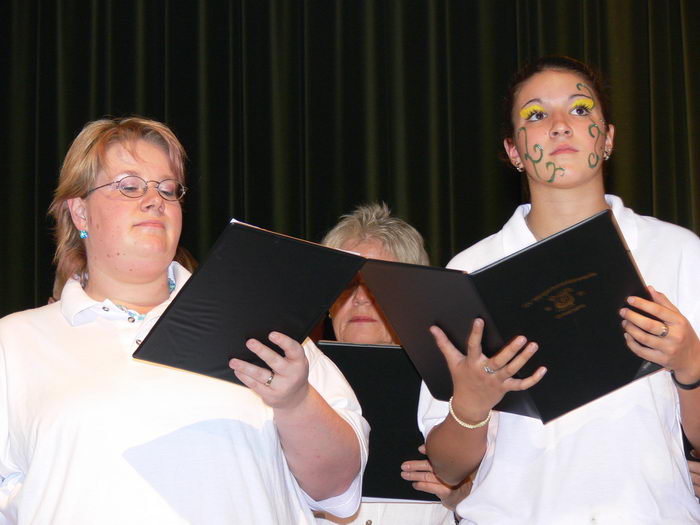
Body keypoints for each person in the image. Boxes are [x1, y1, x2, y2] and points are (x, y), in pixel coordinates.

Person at [0, 117, 369, 524]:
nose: (155, 200)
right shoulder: (15, 342)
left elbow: (338, 491)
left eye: (168, 189)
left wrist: (295, 401)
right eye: (129, 186)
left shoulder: (260, 323)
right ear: (80, 212)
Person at [419, 56, 700, 523]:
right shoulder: (468, 270)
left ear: (607, 138)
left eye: (580, 109)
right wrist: (471, 404)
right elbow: (448, 467)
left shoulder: (678, 252)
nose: (560, 126)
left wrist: (690, 362)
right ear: (513, 151)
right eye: (535, 115)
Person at [316, 203, 471, 525]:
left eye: (377, 284)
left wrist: (465, 496)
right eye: (346, 284)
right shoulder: (290, 377)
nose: (360, 298)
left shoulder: (458, 380)